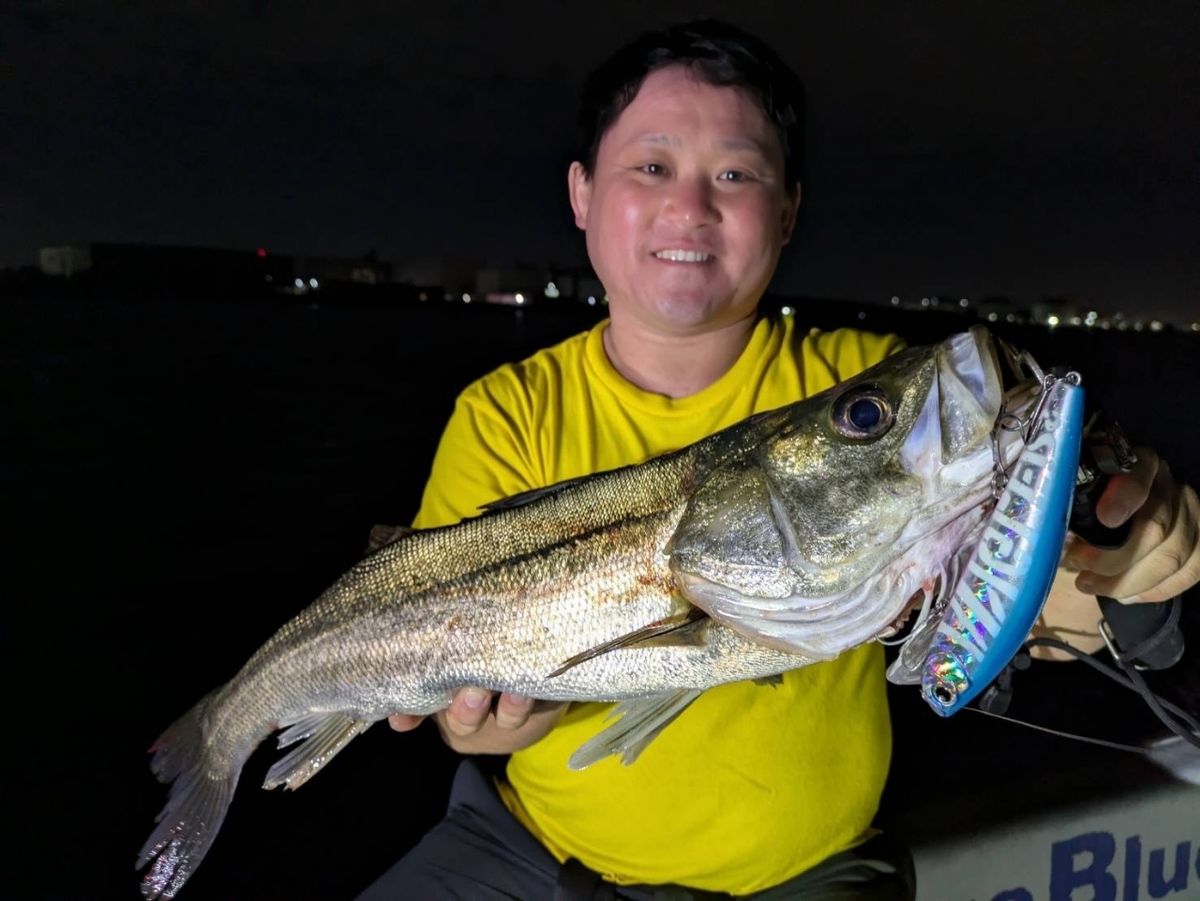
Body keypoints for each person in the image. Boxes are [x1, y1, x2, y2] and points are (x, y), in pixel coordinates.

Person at [360, 20, 1200, 900]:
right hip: (529, 856)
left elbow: (1028, 598)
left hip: (807, 873)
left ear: (789, 209)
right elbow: (461, 716)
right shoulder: (504, 412)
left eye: (736, 173)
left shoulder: (858, 381)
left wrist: (1131, 561)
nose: (690, 207)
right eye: (651, 167)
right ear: (581, 194)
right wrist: (490, 721)